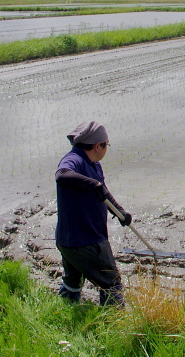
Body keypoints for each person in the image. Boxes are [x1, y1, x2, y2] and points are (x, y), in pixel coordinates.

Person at [54, 121, 132, 306]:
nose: (107, 148)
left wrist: (119, 210)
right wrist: (93, 185)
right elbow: (62, 175)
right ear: (98, 146)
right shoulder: (74, 160)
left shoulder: (93, 163)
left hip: (69, 240)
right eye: (107, 144)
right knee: (111, 283)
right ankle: (113, 323)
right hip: (86, 241)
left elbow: (102, 191)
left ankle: (65, 311)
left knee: (73, 281)